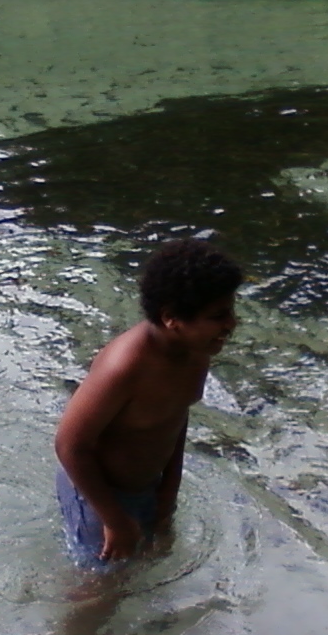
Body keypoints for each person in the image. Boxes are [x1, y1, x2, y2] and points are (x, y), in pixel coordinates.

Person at [55, 238, 243, 568]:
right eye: (218, 316)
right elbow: (70, 445)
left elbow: (174, 417)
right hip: (97, 493)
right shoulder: (124, 368)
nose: (231, 324)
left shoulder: (196, 352)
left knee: (148, 565)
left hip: (147, 487)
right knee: (101, 588)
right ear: (171, 318)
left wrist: (168, 495)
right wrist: (114, 519)